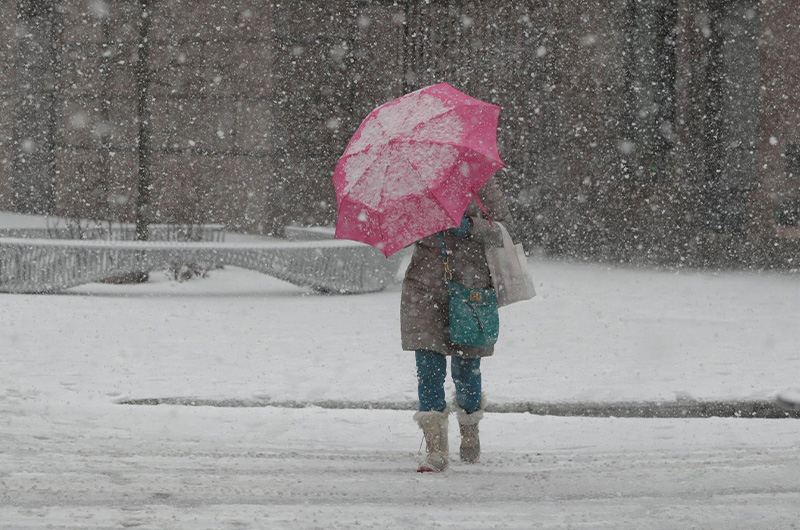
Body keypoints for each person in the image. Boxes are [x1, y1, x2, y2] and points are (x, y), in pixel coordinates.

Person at [401, 175, 514, 472]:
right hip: (424, 289)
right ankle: (436, 450)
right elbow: (401, 230)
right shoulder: (415, 186)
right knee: (428, 368)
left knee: (466, 370)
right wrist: (421, 218)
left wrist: (470, 227)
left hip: (469, 288)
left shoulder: (480, 183)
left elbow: (506, 230)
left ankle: (469, 426)